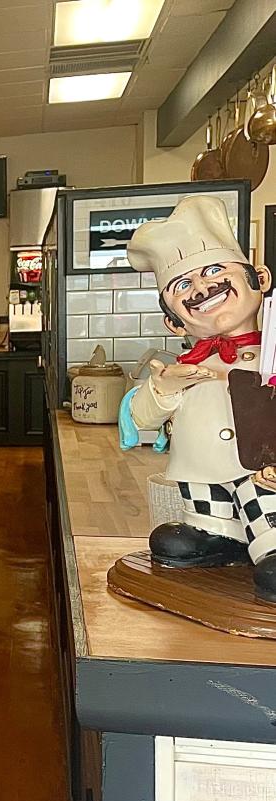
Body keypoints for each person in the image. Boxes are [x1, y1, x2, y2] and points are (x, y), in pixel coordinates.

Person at [122, 195, 276, 602]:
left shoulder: (272, 352)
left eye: (213, 270)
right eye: (183, 285)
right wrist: (167, 388)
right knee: (183, 535)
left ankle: (269, 544)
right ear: (173, 322)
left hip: (262, 473)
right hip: (200, 475)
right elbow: (140, 418)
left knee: (266, 513)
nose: (203, 287)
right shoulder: (180, 365)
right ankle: (217, 536)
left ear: (259, 278)